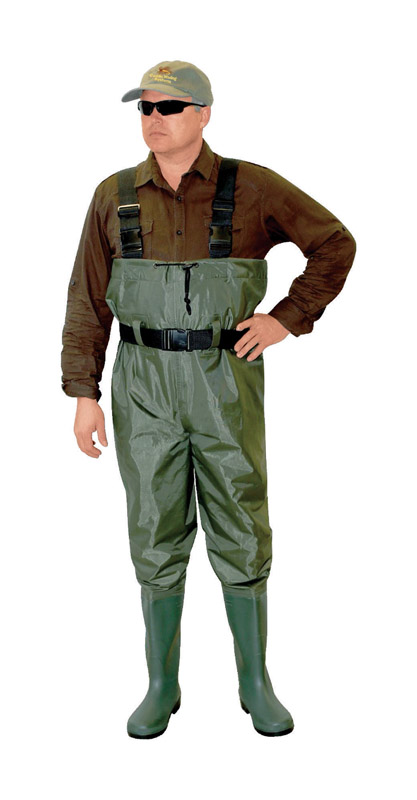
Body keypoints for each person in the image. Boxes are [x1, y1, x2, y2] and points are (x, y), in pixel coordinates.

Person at [61, 60, 356, 740]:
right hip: (142, 383)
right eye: (144, 107)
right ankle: (161, 684)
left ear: (203, 114)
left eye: (168, 106)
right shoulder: (113, 195)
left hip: (226, 379)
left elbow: (334, 244)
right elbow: (86, 297)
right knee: (154, 528)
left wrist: (287, 319)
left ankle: (254, 683)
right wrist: (83, 392)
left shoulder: (251, 187)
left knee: (241, 522)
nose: (153, 119)